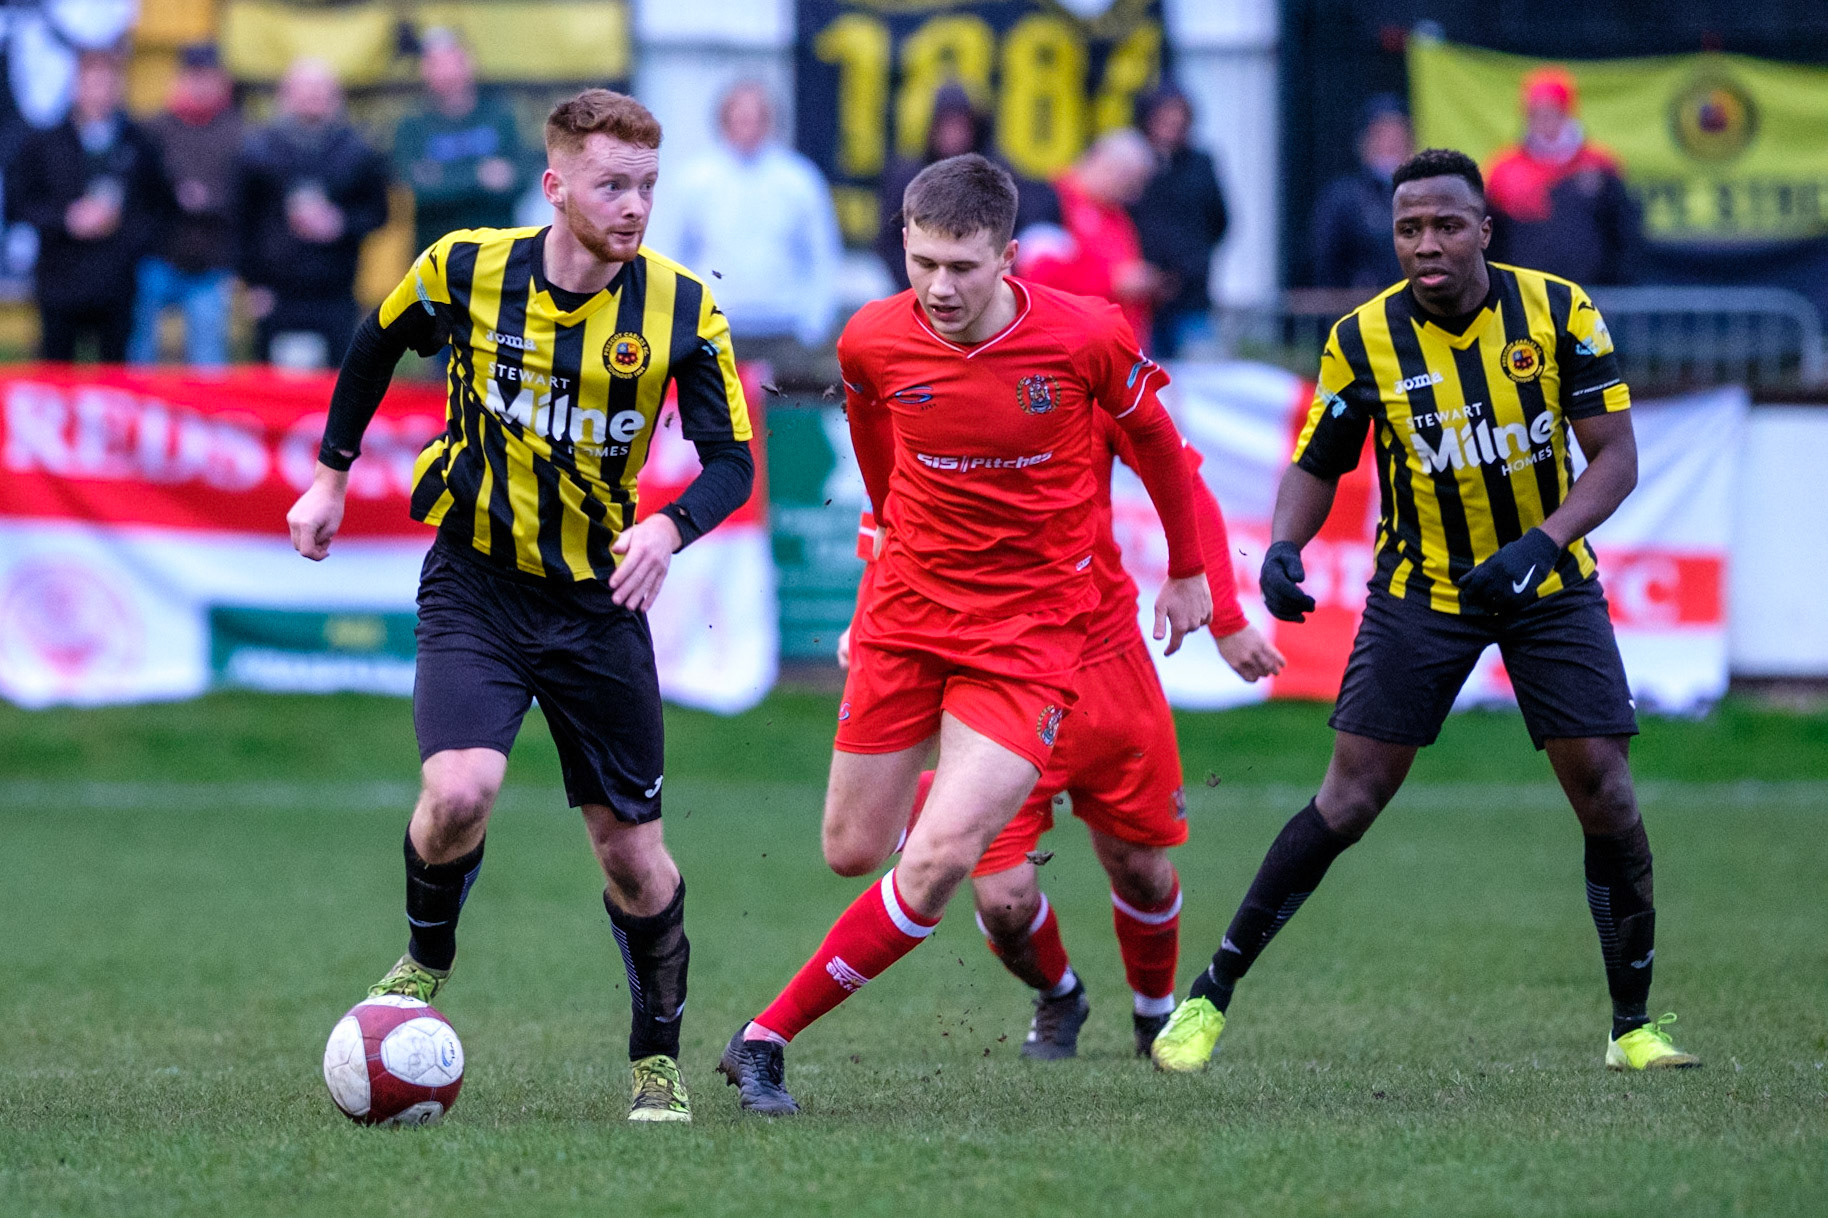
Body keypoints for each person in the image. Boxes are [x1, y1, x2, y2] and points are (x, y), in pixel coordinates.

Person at [1150, 148, 1701, 1075]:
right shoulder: (1361, 338)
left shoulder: (1561, 312)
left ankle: (1634, 1028)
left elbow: (1615, 458)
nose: (1426, 244)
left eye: (1446, 224)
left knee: (1604, 789)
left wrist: (1540, 546)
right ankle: (1207, 998)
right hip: (1424, 591)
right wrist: (1283, 546)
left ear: (1484, 229)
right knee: (1351, 796)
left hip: (1546, 583)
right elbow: (1319, 460)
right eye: (1409, 229)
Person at [284, 88, 755, 1123]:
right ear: (555, 186)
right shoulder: (466, 267)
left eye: (645, 186)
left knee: (633, 859)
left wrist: (668, 528)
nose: (632, 207)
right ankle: (422, 962)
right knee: (456, 795)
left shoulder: (678, 307)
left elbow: (731, 462)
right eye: (610, 184)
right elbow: (372, 343)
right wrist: (329, 475)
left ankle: (655, 1061)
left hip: (596, 607)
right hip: (477, 584)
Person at [715, 153, 1212, 1115]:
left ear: (1009, 258)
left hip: (1030, 639)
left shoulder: (1085, 337)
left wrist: (1191, 573)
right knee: (854, 851)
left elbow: (1157, 447)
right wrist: (876, 593)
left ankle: (763, 1039)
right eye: (924, 263)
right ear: (903, 246)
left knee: (938, 862)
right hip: (907, 617)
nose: (940, 288)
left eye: (964, 268)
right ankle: (1020, 904)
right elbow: (881, 465)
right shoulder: (870, 342)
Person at [838, 410, 1284, 1060]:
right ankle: (1059, 995)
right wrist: (866, 619)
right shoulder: (921, 387)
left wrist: (1226, 615)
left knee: (1141, 870)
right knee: (1004, 903)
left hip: (1104, 668)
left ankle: (1153, 1014)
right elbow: (888, 524)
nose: (942, 302)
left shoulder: (1081, 364)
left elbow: (1184, 484)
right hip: (992, 680)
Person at [649, 80, 840, 368]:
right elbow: (671, 253)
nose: (748, 127)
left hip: (784, 328)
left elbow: (822, 254)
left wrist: (815, 323)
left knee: (784, 411)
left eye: (756, 118)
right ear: (723, 120)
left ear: (770, 121)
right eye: (740, 118)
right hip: (714, 325)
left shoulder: (798, 179)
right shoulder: (694, 179)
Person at [9, 46, 167, 362]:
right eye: (91, 84)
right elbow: (18, 204)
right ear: (75, 87)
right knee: (57, 375)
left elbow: (159, 209)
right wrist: (66, 220)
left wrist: (123, 232)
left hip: (117, 282)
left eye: (107, 84)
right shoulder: (44, 143)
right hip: (59, 281)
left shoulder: (140, 143)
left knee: (115, 382)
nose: (99, 94)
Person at [237, 58, 390, 367]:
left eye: (320, 91)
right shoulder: (257, 151)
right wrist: (252, 283)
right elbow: (242, 222)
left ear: (336, 97)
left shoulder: (358, 151)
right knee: (274, 390)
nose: (312, 99)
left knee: (336, 386)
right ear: (285, 95)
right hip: (276, 291)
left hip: (335, 290)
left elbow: (379, 213)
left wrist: (341, 223)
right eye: (304, 90)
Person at [874, 81, 1058, 293]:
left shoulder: (995, 175)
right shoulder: (908, 178)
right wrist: (921, 283)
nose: (953, 135)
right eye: (946, 126)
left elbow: (1021, 227)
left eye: (960, 126)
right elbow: (889, 242)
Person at [128, 42, 241, 367]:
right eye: (194, 76)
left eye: (208, 77)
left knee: (208, 361)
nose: (200, 84)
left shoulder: (238, 132)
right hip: (158, 255)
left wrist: (210, 200)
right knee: (140, 355)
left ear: (221, 82)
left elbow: (245, 196)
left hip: (212, 261)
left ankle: (206, 417)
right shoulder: (153, 129)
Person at [1484, 67, 1638, 286]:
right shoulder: (1504, 169)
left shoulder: (1599, 163)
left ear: (1567, 111)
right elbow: (1492, 239)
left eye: (1552, 111)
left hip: (1592, 295)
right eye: (1536, 112)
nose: (1544, 120)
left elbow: (1622, 234)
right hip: (1524, 294)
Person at [1018, 129, 1163, 351]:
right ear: (1104, 163)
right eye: (1129, 181)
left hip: (1116, 356)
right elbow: (1036, 277)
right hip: (1068, 351)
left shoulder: (1116, 213)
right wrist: (1112, 281)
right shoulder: (1051, 200)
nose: (1134, 193)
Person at [393, 27, 525, 259]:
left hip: (499, 254)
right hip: (436, 259)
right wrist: (481, 176)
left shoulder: (500, 115)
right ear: (424, 69)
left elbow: (523, 177)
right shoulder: (410, 126)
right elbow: (420, 192)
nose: (446, 71)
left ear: (469, 62)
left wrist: (443, 177)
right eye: (435, 63)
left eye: (452, 61)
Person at [1130, 84, 1228, 358]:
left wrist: (1185, 269)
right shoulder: (1133, 163)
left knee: (1201, 375)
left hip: (1191, 295)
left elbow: (1218, 222)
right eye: (1164, 118)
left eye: (1179, 117)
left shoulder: (1201, 164)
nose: (1172, 125)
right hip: (1142, 297)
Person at [1310, 93, 1411, 291]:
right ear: (1365, 142)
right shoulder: (1343, 198)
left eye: (1398, 135)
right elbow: (1326, 263)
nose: (1391, 143)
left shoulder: (1425, 196)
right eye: (1381, 135)